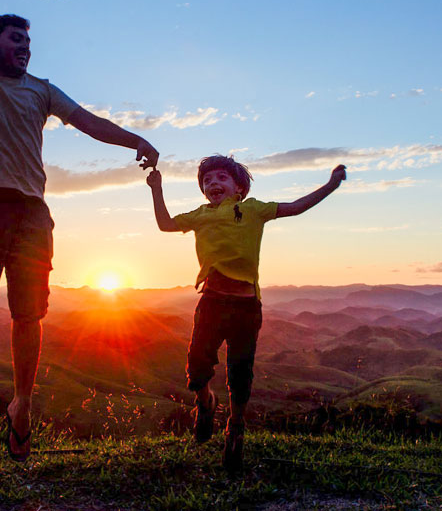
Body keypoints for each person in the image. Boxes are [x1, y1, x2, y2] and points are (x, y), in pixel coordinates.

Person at [0, 0, 159, 467]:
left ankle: (22, 403)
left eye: (29, 42)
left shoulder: (42, 90)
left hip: (33, 214)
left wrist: (136, 139)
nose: (25, 48)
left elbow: (88, 121)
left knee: (28, 315)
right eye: (16, 40)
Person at [146, 155, 345, 474]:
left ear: (239, 188)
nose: (213, 184)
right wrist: (156, 189)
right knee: (197, 365)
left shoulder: (254, 209)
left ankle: (235, 427)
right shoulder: (200, 215)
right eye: (207, 181)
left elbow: (296, 206)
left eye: (221, 178)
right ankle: (206, 403)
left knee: (240, 371)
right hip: (211, 302)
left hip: (246, 307)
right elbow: (166, 224)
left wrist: (331, 185)